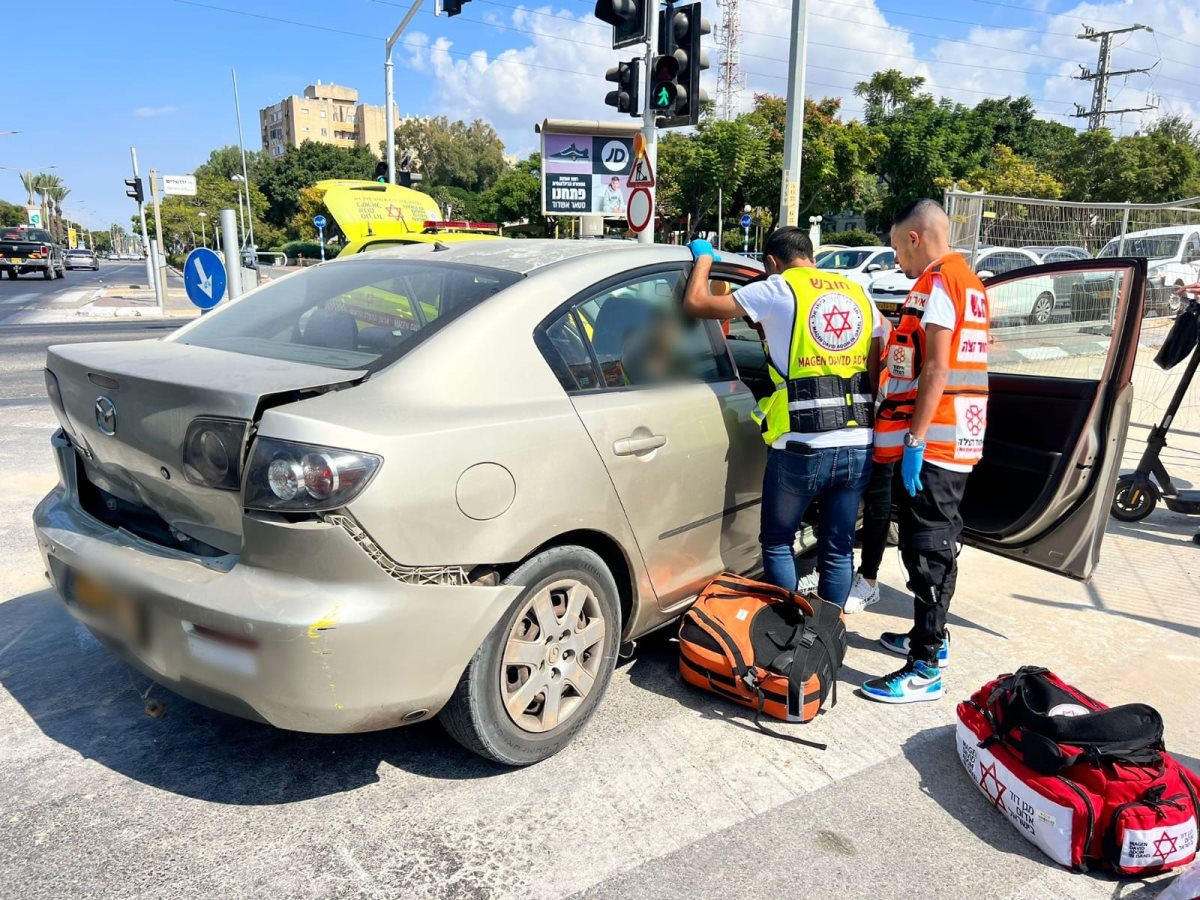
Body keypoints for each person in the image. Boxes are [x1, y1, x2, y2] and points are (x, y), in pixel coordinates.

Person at [683, 227, 886, 608]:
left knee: (778, 540)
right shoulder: (858, 292)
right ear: (810, 254)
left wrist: (705, 258)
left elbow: (696, 303)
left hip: (802, 443)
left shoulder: (778, 288)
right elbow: (878, 358)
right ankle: (825, 635)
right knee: (839, 549)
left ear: (773, 262)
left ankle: (791, 627)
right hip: (857, 438)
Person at [860, 199, 989, 705]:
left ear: (916, 238)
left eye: (896, 248)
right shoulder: (970, 283)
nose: (896, 261)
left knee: (927, 548)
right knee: (940, 539)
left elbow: (935, 369)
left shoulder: (938, 283)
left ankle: (926, 665)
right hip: (958, 433)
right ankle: (927, 639)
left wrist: (913, 439)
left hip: (935, 437)